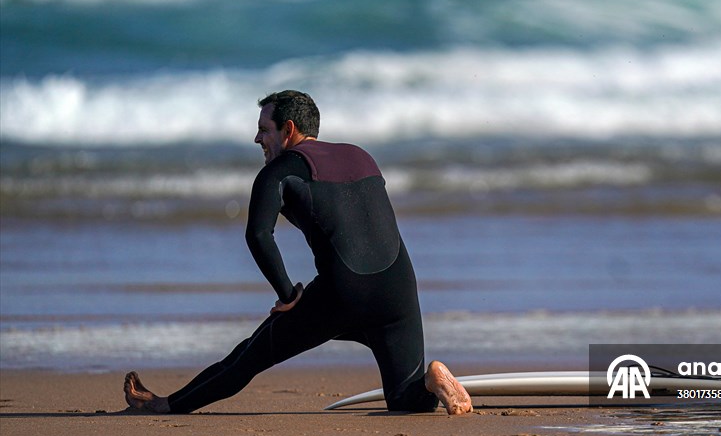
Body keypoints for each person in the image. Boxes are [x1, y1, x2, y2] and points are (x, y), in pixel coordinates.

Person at [123, 90, 472, 415]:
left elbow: (259, 235)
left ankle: (166, 405)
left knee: (252, 354)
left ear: (288, 129)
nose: (257, 139)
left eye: (264, 130)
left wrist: (288, 294)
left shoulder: (280, 170)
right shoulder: (361, 155)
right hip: (398, 288)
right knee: (406, 399)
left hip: (343, 292)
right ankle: (432, 380)